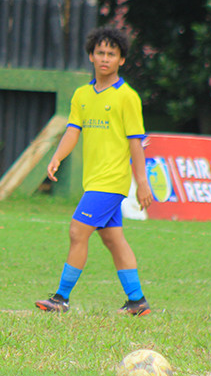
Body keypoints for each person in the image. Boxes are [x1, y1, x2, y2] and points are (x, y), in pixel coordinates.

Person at [34, 27, 155, 316]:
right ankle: (137, 302)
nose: (105, 58)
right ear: (91, 55)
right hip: (94, 181)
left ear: (121, 60)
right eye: (100, 53)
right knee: (113, 239)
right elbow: (73, 131)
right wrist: (57, 157)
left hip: (112, 181)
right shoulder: (82, 95)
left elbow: (135, 143)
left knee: (78, 231)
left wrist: (141, 182)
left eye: (111, 54)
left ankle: (61, 298)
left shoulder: (128, 97)